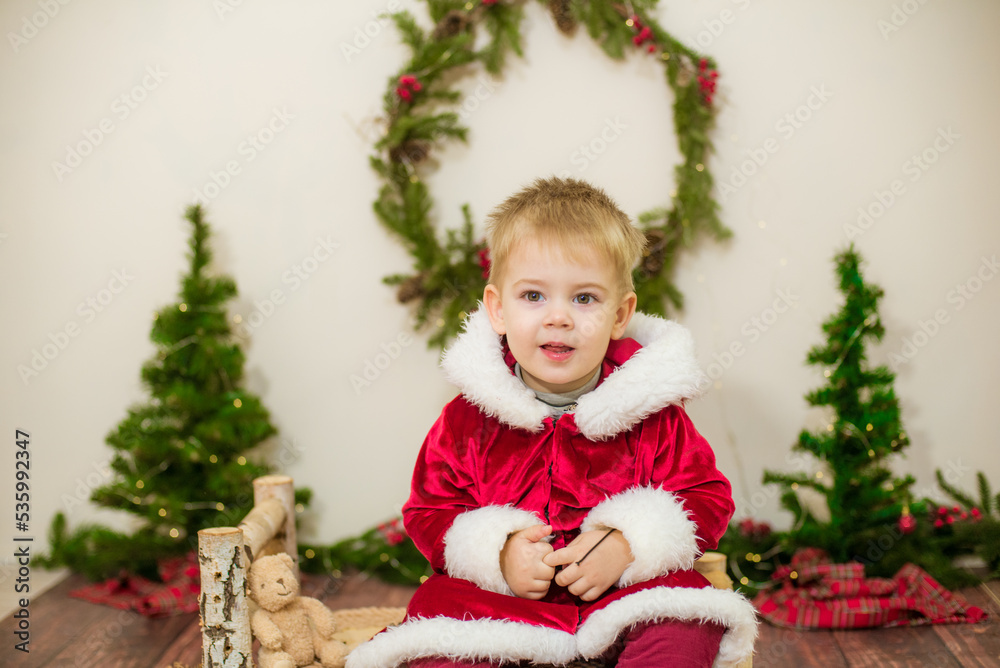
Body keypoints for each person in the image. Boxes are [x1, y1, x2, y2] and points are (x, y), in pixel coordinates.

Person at [347, 177, 757, 668]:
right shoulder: (467, 420)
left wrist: (629, 544)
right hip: (504, 613)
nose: (558, 317)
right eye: (534, 296)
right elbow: (430, 510)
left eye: (584, 298)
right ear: (497, 309)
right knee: (437, 626)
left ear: (620, 315)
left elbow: (705, 496)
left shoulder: (651, 412)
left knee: (689, 612)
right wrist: (498, 555)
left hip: (619, 604)